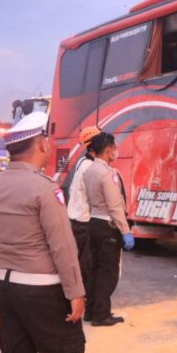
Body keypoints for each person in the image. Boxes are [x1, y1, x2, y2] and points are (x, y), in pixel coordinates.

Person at [0, 112, 86, 353]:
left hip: (3, 286)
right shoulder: (45, 188)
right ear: (40, 144)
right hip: (41, 289)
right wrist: (75, 291)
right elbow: (62, 246)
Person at [83, 132, 135, 327]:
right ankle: (101, 315)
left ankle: (91, 311)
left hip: (94, 222)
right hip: (107, 226)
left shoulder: (90, 170)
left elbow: (89, 200)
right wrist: (125, 230)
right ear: (108, 150)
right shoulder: (108, 173)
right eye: (114, 148)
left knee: (95, 269)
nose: (116, 152)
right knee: (108, 273)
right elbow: (114, 206)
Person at [67, 126, 101, 321]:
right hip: (83, 222)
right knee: (85, 265)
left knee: (79, 263)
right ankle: (82, 301)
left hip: (76, 220)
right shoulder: (90, 167)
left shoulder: (83, 163)